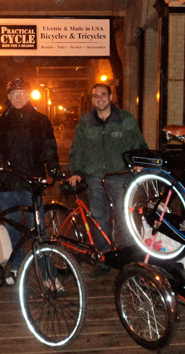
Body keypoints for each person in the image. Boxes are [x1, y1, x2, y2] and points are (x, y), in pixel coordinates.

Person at [0, 77, 61, 285]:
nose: (18, 97)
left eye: (22, 93)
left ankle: (48, 276)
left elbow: (49, 146)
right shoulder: (1, 122)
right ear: (8, 97)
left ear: (28, 96)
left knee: (39, 232)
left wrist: (53, 166)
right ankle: (15, 266)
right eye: (14, 94)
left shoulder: (40, 120)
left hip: (31, 183)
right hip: (7, 185)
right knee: (12, 230)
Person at [68, 83, 148, 276]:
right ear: (92, 99)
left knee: (124, 218)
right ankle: (104, 259)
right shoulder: (85, 122)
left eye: (104, 95)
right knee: (99, 219)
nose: (100, 98)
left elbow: (139, 143)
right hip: (95, 179)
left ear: (111, 97)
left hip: (119, 177)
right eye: (95, 96)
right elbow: (77, 149)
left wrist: (138, 161)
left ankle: (131, 259)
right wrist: (76, 171)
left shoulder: (124, 119)